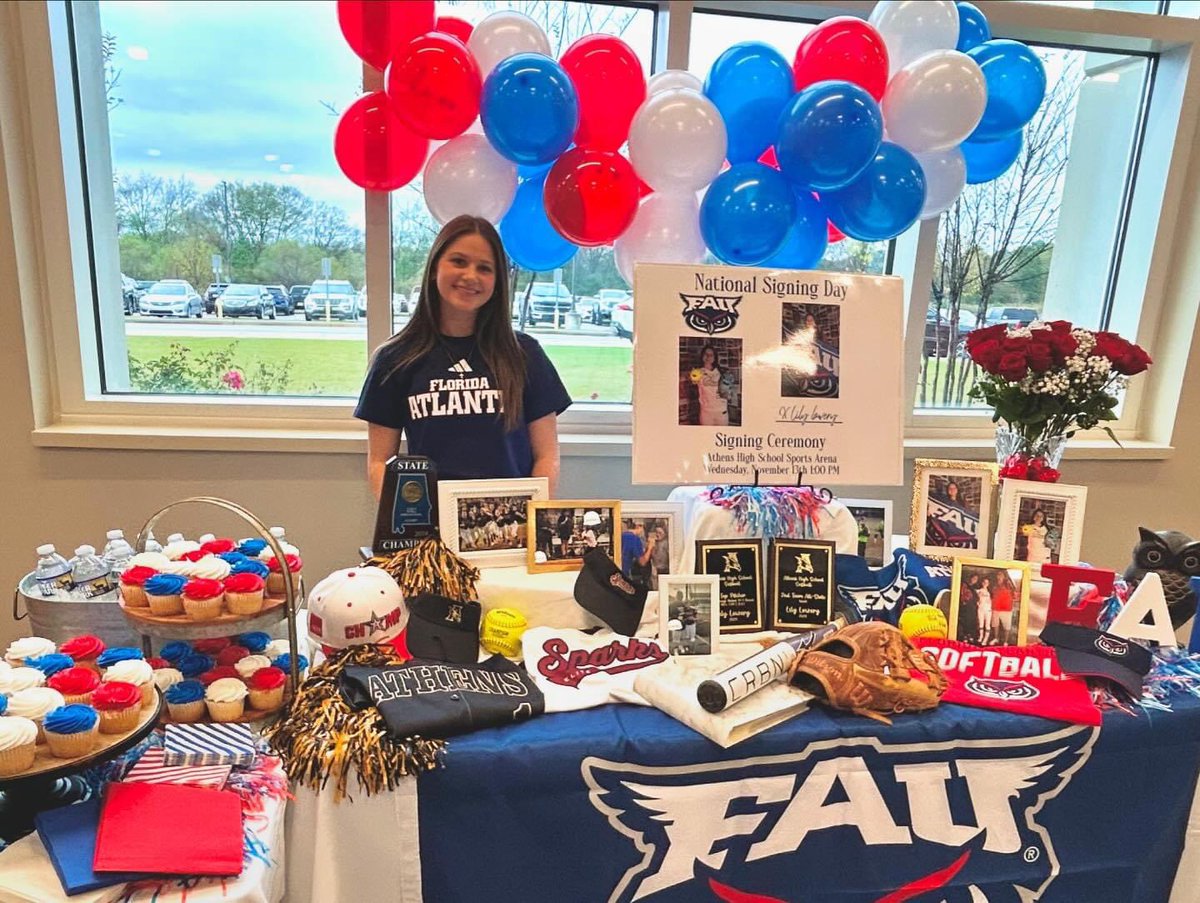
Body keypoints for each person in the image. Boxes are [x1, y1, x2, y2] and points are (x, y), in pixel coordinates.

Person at [356, 215, 571, 499]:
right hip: (429, 530)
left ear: (497, 282)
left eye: (485, 268)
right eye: (458, 261)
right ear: (434, 268)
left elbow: (546, 457)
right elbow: (380, 463)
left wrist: (531, 522)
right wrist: (404, 524)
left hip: (510, 530)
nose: (470, 276)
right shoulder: (395, 358)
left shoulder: (525, 355)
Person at [694, 345, 729, 427]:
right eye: (706, 354)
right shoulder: (697, 372)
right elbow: (693, 381)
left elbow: (727, 391)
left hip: (721, 412)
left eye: (711, 355)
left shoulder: (722, 372)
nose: (708, 357)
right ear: (702, 356)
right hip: (706, 412)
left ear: (715, 357)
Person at [621, 520, 655, 588]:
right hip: (626, 573)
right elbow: (642, 562)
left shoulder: (622, 536)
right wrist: (650, 547)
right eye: (643, 528)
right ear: (639, 526)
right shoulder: (634, 539)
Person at [990, 571, 1015, 645]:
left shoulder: (1009, 584)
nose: (999, 576)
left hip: (1006, 609)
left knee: (1006, 626)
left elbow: (1014, 594)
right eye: (998, 574)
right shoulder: (994, 585)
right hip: (995, 608)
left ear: (1004, 576)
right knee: (995, 625)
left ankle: (1005, 641)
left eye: (1001, 575)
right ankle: (996, 638)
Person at [649, 525, 670, 591]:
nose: (658, 535)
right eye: (656, 532)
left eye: (660, 533)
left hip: (665, 569)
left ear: (665, 533)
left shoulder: (667, 543)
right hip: (655, 568)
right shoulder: (654, 542)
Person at [976, 574, 993, 645]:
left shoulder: (990, 592)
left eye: (987, 583)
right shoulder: (978, 591)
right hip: (981, 609)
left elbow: (992, 600)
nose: (985, 584)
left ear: (988, 584)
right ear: (982, 583)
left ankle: (985, 639)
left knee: (987, 625)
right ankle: (981, 636)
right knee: (981, 624)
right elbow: (976, 598)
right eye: (984, 582)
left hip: (988, 610)